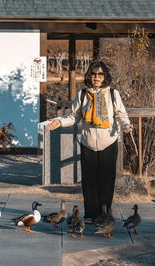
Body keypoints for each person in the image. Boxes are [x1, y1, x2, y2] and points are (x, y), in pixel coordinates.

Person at [45, 60, 133, 223]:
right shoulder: (82, 94)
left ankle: (105, 214)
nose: (97, 77)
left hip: (109, 141)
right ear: (89, 76)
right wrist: (59, 121)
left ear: (105, 76)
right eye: (93, 74)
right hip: (87, 142)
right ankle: (91, 215)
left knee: (106, 181)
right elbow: (74, 116)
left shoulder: (113, 94)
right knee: (89, 181)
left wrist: (126, 124)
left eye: (100, 74)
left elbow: (121, 114)